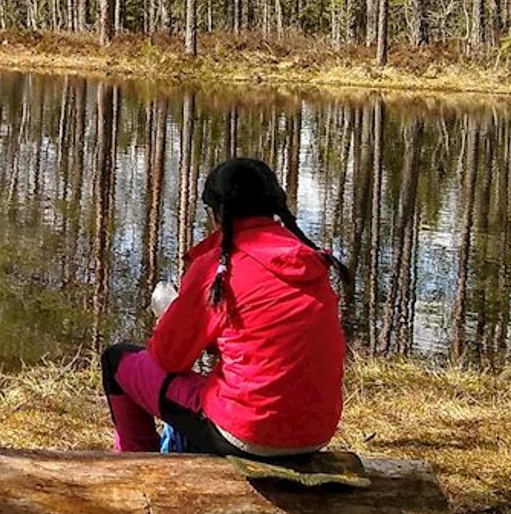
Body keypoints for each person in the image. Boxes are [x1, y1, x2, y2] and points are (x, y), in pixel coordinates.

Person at [101, 156, 348, 460]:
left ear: (218, 212)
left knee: (117, 361)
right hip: (316, 433)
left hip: (247, 432)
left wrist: (170, 316)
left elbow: (169, 357)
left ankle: (136, 471)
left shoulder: (217, 268)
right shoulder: (311, 261)